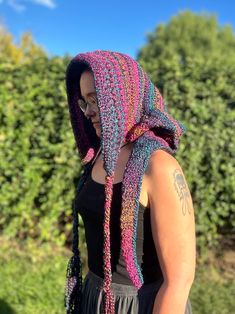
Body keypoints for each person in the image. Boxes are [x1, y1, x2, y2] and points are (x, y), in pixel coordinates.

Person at [64, 50, 196, 314]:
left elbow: (178, 281)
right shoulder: (101, 152)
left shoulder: (158, 165)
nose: (88, 112)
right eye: (84, 102)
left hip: (139, 304)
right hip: (94, 297)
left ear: (124, 97)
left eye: (96, 100)